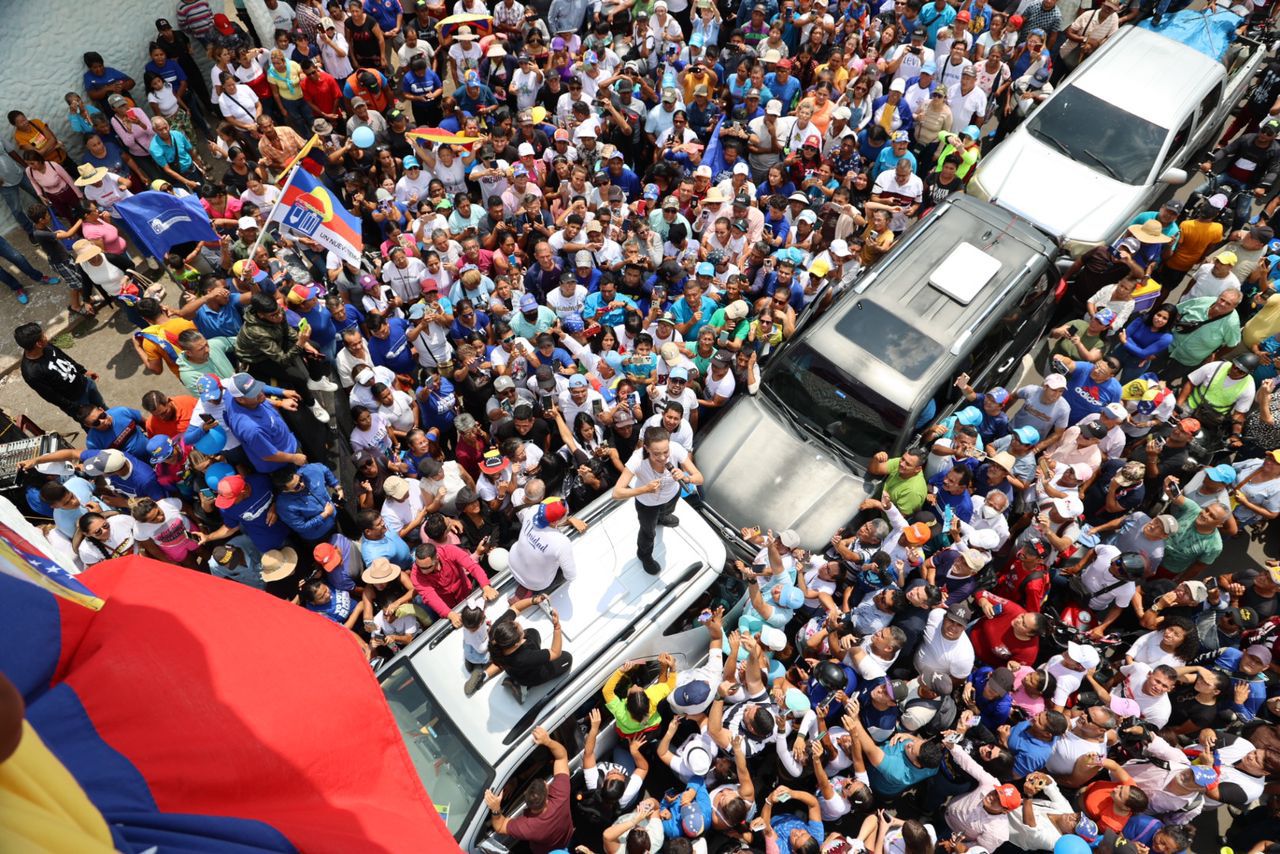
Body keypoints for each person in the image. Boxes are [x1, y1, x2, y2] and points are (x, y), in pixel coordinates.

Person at [612, 426, 704, 575]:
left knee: (668, 510)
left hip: (672, 494)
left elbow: (699, 478)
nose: (662, 458)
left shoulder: (676, 448)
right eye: (656, 454)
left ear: (669, 444)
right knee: (648, 533)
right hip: (647, 504)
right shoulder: (637, 458)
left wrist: (686, 477)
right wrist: (644, 489)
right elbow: (616, 493)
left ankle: (662, 518)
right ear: (646, 448)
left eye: (666, 452)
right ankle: (644, 555)